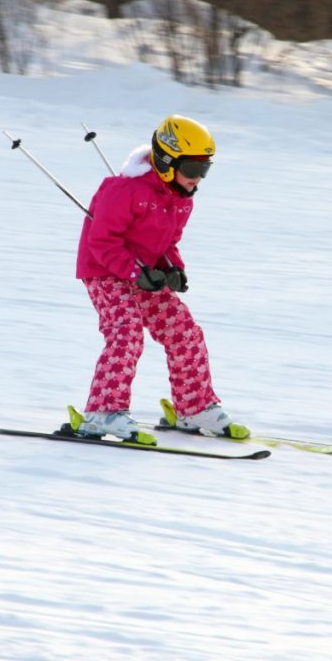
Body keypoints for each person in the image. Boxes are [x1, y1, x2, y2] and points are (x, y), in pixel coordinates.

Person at [70, 115, 249, 445]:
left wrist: (173, 269)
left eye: (204, 170)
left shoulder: (180, 200)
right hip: (105, 272)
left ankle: (193, 408)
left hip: (144, 274)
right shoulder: (123, 191)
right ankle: (101, 413)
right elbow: (102, 242)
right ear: (167, 162)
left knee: (184, 331)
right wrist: (137, 273)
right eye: (193, 169)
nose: (198, 179)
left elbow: (167, 243)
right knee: (126, 333)